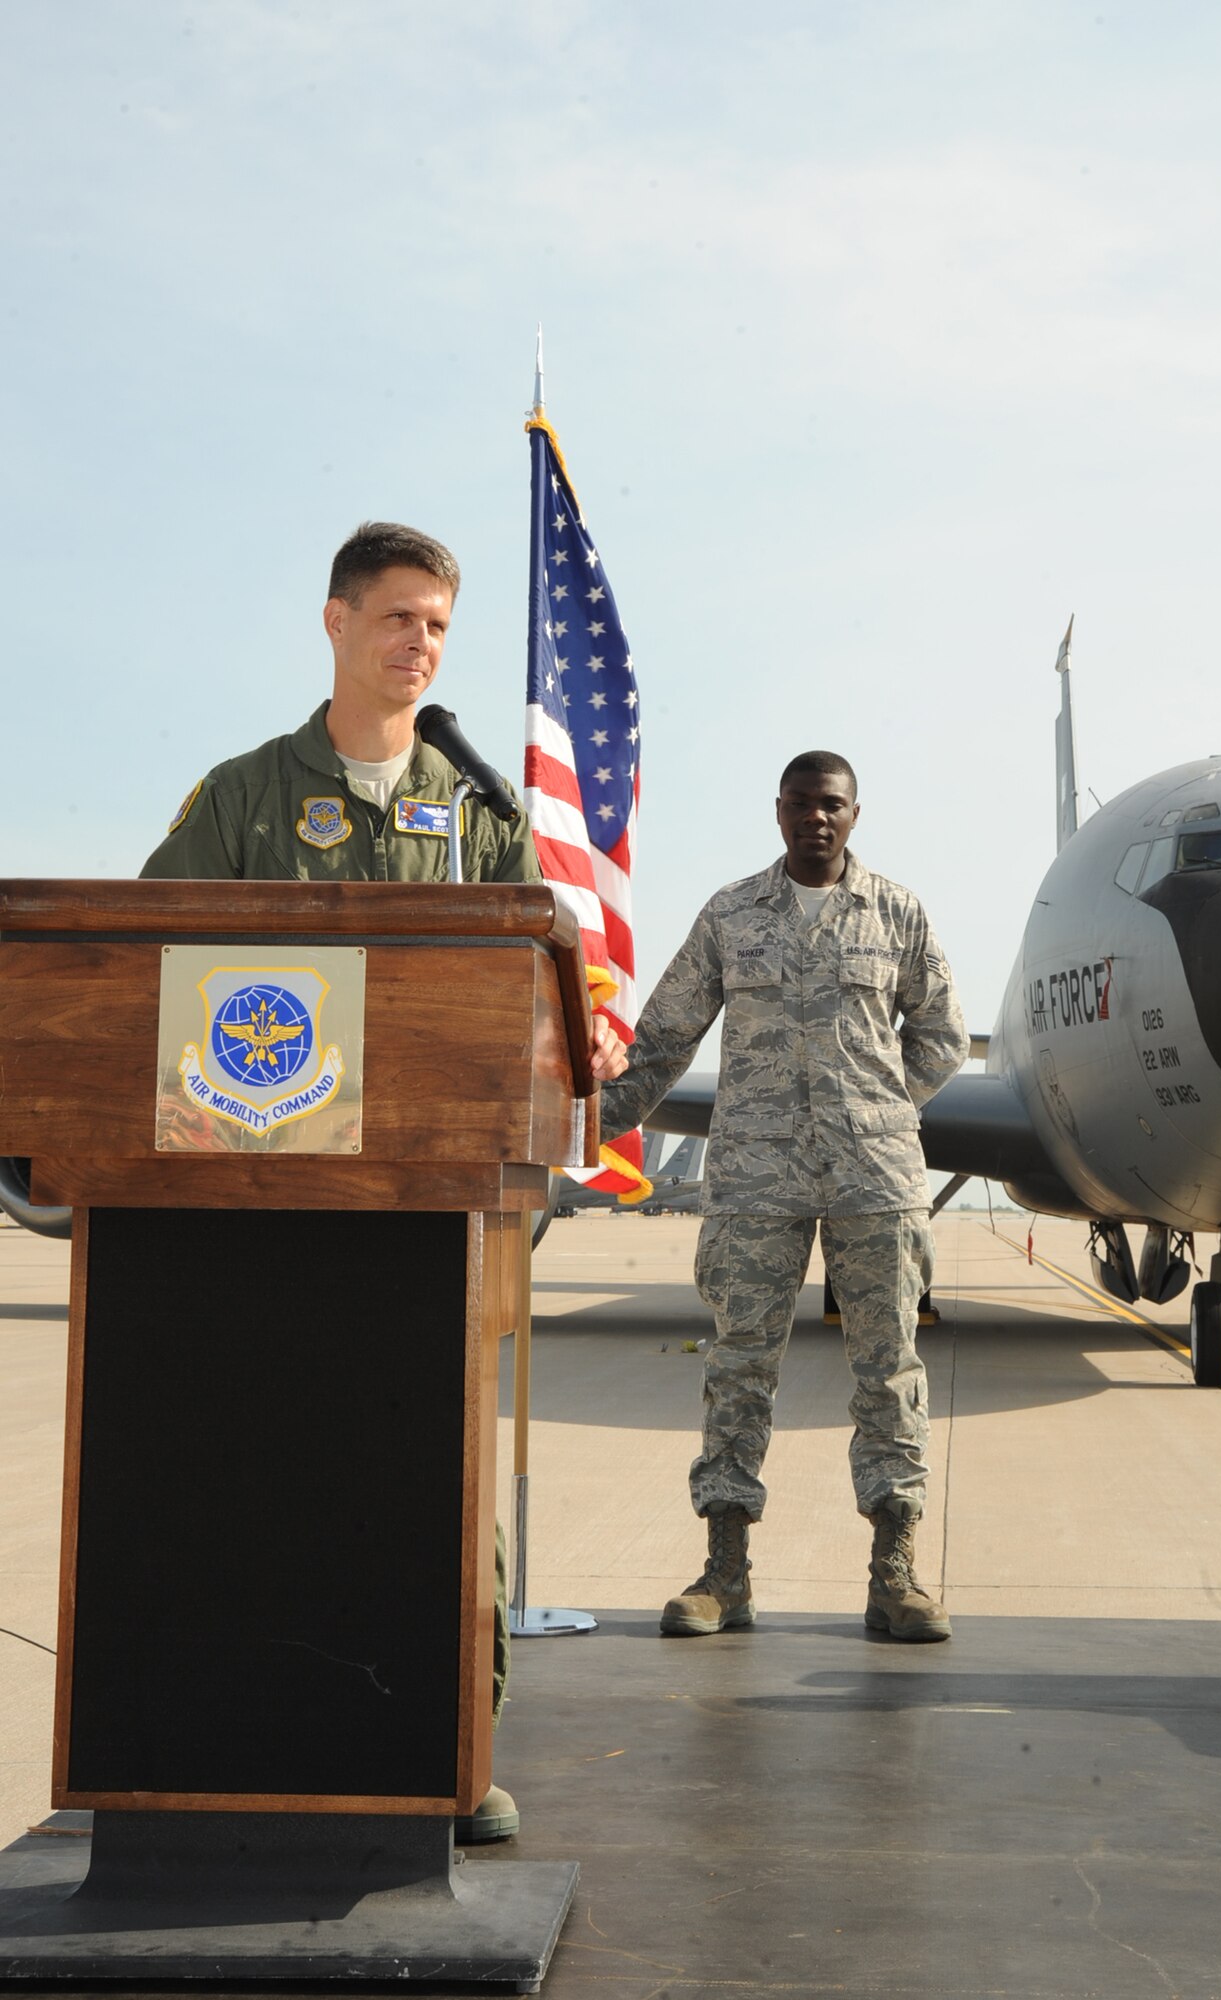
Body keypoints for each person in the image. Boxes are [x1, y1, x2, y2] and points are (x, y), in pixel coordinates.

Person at [142, 519, 627, 1837]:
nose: (419, 645)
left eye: (438, 628)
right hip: (262, 1220)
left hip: (434, 1219)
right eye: (398, 618)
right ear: (337, 624)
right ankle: (252, 1741)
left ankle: (453, 1744)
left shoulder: (478, 810)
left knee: (433, 1483)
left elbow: (544, 1002)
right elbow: (144, 964)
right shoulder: (243, 798)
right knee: (262, 1471)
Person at [598, 753, 968, 1643]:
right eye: (801, 805)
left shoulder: (897, 913)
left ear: (853, 814)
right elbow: (662, 1038)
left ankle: (895, 1576)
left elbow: (943, 1034)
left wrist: (877, 1110)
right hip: (755, 1178)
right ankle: (724, 1575)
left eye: (831, 806)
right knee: (737, 1369)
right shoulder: (730, 915)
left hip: (873, 1180)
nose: (816, 819)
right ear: (778, 812)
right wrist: (589, 1123)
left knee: (889, 1374)